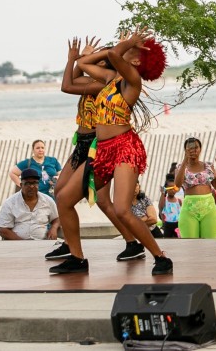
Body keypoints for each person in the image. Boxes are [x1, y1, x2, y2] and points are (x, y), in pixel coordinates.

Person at [50, 28, 173, 275]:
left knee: (121, 209)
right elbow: (84, 63)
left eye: (133, 50)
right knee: (64, 199)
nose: (126, 48)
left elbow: (116, 56)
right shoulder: (110, 78)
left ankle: (160, 257)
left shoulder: (132, 80)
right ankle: (77, 257)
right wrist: (78, 57)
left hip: (125, 147)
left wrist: (125, 44)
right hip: (102, 150)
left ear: (137, 61)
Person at [46, 37, 144, 262]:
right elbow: (71, 80)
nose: (97, 64)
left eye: (101, 60)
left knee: (102, 200)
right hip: (80, 142)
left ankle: (131, 242)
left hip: (94, 144)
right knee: (62, 192)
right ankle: (72, 244)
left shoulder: (105, 85)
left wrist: (82, 59)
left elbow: (69, 85)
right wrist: (75, 59)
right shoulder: (95, 81)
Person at [173, 137, 216, 239]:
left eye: (196, 147)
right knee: (191, 246)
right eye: (190, 148)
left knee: (210, 245)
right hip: (189, 209)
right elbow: (177, 185)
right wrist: (185, 160)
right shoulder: (181, 167)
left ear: (200, 149)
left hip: (209, 207)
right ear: (185, 150)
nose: (194, 150)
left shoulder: (208, 166)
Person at [0, 169, 60, 240]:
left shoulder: (48, 200)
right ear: (21, 185)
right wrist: (23, 244)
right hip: (16, 245)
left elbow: (56, 218)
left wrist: (54, 228)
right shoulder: (10, 203)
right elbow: (3, 230)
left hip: (42, 243)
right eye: (27, 183)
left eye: (35, 183)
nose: (31, 186)